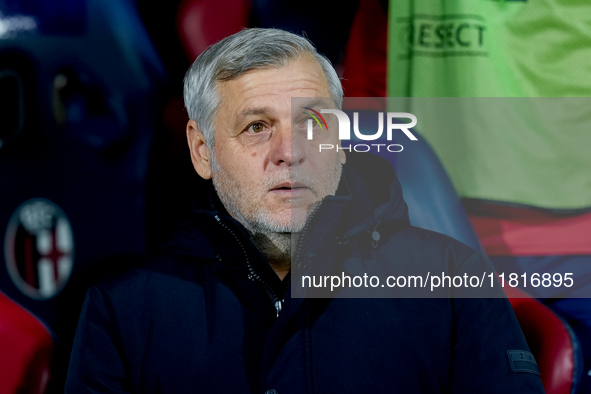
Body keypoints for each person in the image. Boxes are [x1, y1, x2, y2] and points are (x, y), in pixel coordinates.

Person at [65, 28, 545, 393]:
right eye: (256, 126)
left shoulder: (452, 278)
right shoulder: (122, 310)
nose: (290, 151)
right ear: (201, 150)